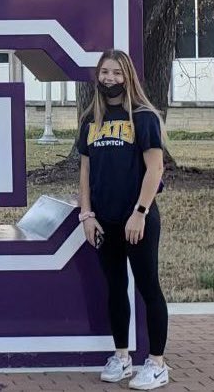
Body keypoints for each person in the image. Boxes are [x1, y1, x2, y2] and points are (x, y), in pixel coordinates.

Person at [77, 49, 169, 390]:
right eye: (104, 73)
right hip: (105, 221)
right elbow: (84, 172)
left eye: (116, 73)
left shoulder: (144, 117)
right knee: (115, 288)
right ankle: (121, 357)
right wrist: (87, 215)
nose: (109, 79)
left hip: (138, 221)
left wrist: (140, 213)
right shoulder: (91, 119)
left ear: (127, 76)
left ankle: (158, 364)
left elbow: (155, 169)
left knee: (148, 289)